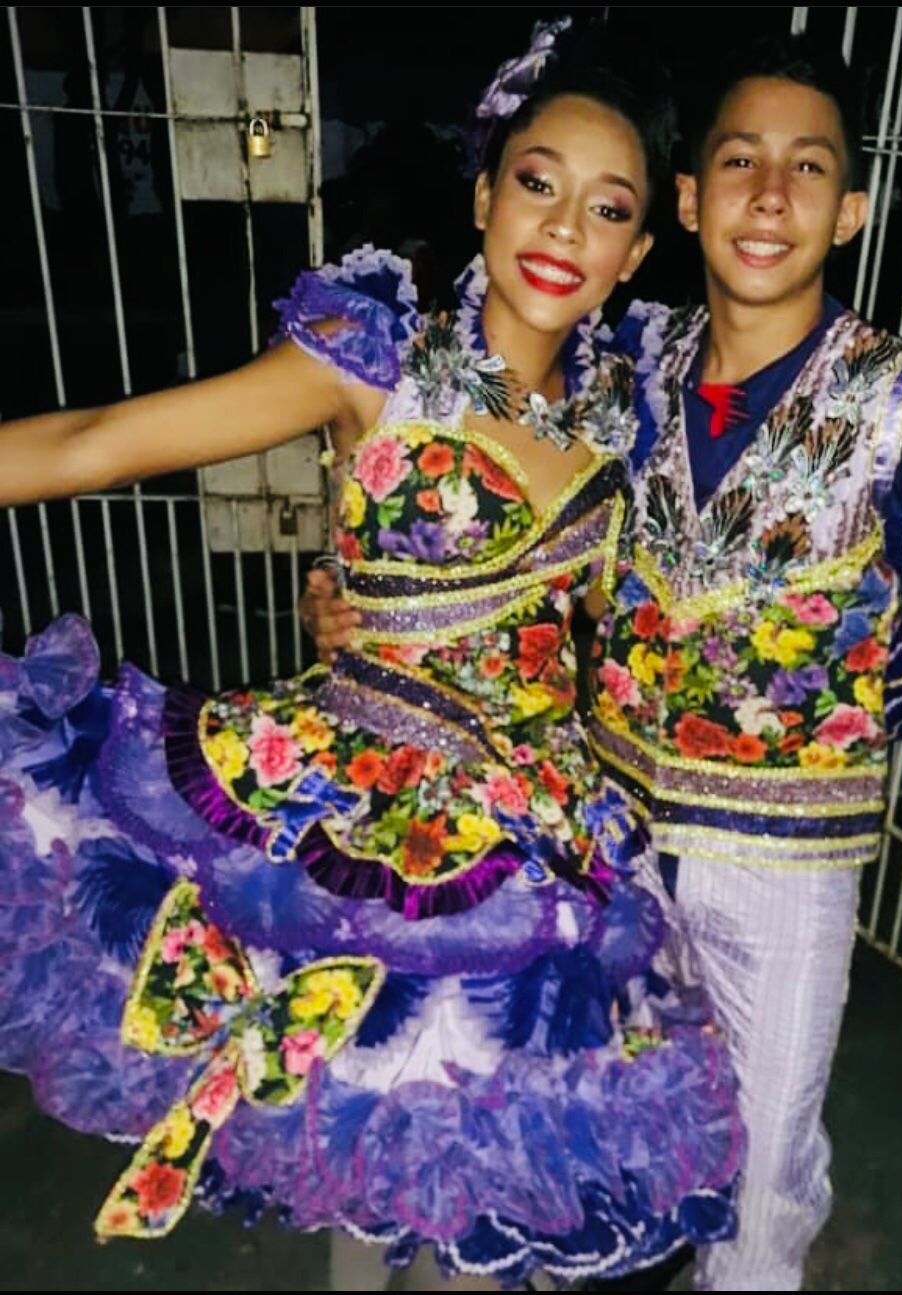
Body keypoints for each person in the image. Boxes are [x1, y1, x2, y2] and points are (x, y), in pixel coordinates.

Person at [0, 20, 744, 1288]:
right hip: (347, 808)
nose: (564, 227)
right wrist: (357, 609)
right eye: (538, 182)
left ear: (634, 251)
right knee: (349, 1148)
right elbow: (98, 438)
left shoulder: (630, 414)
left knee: (461, 1178)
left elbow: (607, 635)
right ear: (484, 196)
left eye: (608, 207)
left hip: (529, 845)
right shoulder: (378, 359)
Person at [582, 35, 902, 1292]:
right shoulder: (632, 370)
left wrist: (827, 733)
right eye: (740, 162)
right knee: (610, 1107)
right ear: (687, 198)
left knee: (766, 1157)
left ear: (852, 210)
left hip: (784, 868)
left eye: (808, 168)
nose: (769, 197)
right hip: (611, 828)